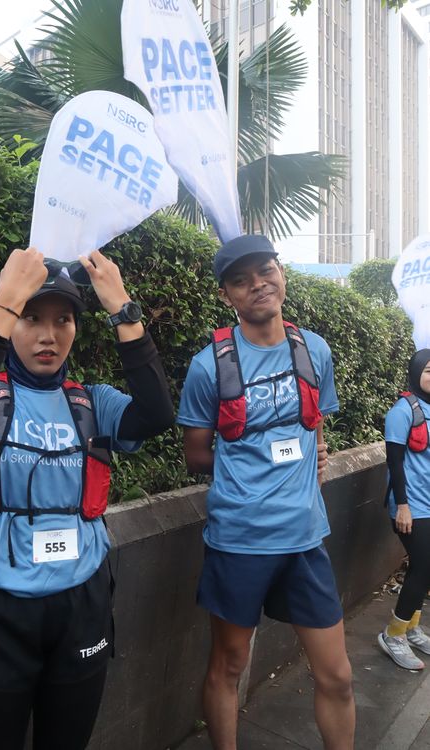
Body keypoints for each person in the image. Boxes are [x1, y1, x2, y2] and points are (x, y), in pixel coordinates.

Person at [0, 246, 174, 750]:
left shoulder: (93, 403)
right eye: (31, 318)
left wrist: (122, 308)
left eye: (63, 320)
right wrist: (5, 298)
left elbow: (155, 415)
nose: (49, 335)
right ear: (11, 323)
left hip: (80, 605)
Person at [177, 234, 355, 750]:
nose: (257, 284)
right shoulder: (209, 365)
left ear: (282, 273)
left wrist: (315, 453)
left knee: (338, 675)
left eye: (266, 271)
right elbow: (196, 455)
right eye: (241, 280)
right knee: (229, 665)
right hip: (240, 540)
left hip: (305, 539)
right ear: (226, 295)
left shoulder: (314, 349)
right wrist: (250, 468)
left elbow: (315, 424)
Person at [378, 348, 430, 670]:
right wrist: (402, 506)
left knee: (422, 568)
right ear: (415, 373)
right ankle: (393, 635)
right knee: (424, 566)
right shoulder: (402, 411)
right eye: (429, 370)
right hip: (410, 505)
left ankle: (411, 628)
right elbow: (395, 463)